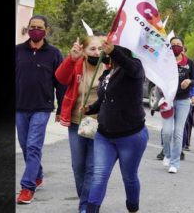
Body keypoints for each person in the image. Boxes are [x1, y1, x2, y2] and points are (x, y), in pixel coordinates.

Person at [83, 40, 149, 213]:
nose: (104, 50)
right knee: (99, 177)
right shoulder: (108, 72)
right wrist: (91, 108)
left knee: (129, 177)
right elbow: (105, 99)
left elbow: (133, 69)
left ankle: (132, 208)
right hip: (104, 135)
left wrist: (114, 51)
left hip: (131, 135)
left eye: (109, 47)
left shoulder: (135, 66)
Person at [16, 15, 66, 204]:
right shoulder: (18, 51)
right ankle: (37, 175)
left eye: (39, 27)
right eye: (32, 26)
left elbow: (60, 83)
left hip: (42, 108)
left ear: (46, 30)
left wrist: (61, 107)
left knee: (33, 146)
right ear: (27, 28)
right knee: (24, 145)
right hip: (19, 107)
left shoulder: (54, 53)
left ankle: (27, 187)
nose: (35, 30)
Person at [55, 33, 106, 213]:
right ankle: (84, 197)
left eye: (100, 48)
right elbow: (60, 78)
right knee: (78, 167)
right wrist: (71, 58)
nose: (96, 52)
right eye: (92, 49)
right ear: (83, 51)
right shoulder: (77, 64)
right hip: (77, 122)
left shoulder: (108, 66)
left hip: (100, 124)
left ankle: (85, 206)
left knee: (92, 168)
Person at [160, 36, 194, 174]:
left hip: (183, 101)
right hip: (167, 100)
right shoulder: (164, 62)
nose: (175, 46)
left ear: (183, 46)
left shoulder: (189, 63)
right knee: (167, 131)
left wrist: (188, 81)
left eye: (178, 44)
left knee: (178, 132)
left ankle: (174, 163)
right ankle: (167, 154)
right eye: (173, 44)